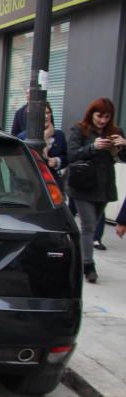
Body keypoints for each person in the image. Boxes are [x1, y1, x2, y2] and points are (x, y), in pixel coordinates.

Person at [66, 97, 126, 282]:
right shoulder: (80, 129)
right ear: (92, 113)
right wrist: (93, 147)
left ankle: (77, 256)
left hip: (104, 185)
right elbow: (72, 154)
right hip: (82, 184)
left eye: (107, 117)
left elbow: (123, 158)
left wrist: (122, 145)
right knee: (88, 225)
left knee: (92, 225)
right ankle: (88, 265)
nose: (102, 120)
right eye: (99, 116)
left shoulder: (115, 132)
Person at [17, 102, 66, 176]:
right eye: (43, 113)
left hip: (53, 181)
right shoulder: (23, 137)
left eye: (48, 113)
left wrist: (57, 161)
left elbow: (67, 158)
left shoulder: (59, 135)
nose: (46, 116)